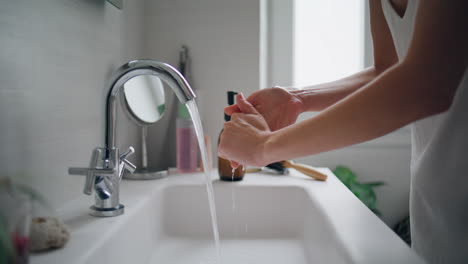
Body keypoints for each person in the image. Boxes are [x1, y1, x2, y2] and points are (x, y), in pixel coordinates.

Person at [218, 0, 468, 263]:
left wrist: (264, 147)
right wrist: (297, 98)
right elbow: (389, 71)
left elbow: (426, 83)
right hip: (435, 214)